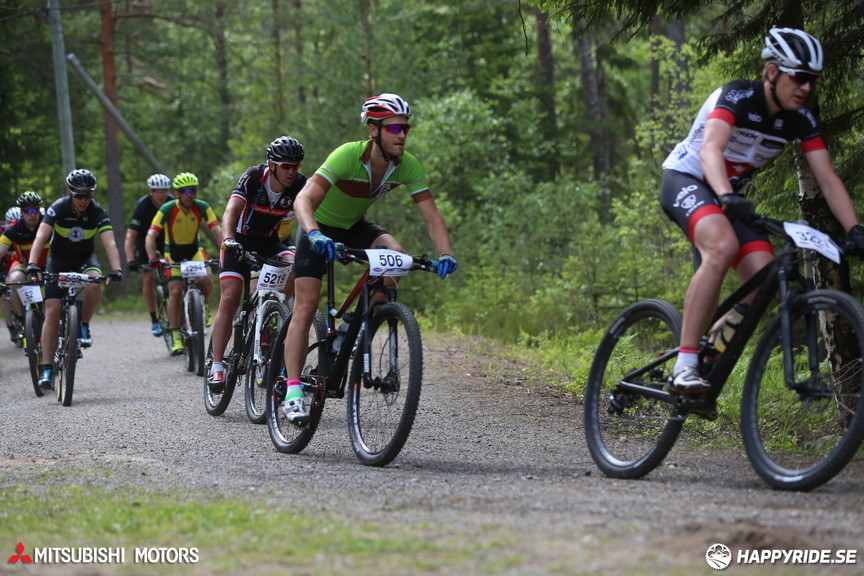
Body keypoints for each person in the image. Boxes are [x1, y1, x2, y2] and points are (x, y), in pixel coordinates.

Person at [660, 28, 864, 394]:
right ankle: (684, 364)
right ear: (773, 72)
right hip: (688, 180)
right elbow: (710, 150)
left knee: (763, 276)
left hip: (728, 196)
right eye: (798, 77)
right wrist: (724, 194)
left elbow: (828, 179)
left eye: (812, 81)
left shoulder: (801, 119)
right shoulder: (738, 95)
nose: (805, 87)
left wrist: (854, 229)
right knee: (721, 246)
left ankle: (708, 347)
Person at [275, 93, 458, 422]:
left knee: (397, 256)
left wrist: (445, 253)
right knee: (306, 304)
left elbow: (432, 217)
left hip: (354, 226)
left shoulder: (406, 165)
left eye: (405, 128)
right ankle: (291, 390)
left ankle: (348, 329)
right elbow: (302, 200)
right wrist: (315, 234)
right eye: (394, 128)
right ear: (374, 130)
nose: (402, 134)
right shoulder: (348, 155)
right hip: (317, 225)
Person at [207, 136, 306, 391]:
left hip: (268, 242)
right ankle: (217, 366)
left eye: (296, 165)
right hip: (238, 242)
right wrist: (228, 239)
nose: (292, 171)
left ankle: (274, 314)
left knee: (295, 264)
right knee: (229, 299)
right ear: (272, 164)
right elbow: (231, 211)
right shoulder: (254, 177)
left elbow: (313, 213)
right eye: (286, 165)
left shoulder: (299, 184)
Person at [28, 169, 123, 390]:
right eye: (78, 195)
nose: (83, 200)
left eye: (87, 195)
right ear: (71, 194)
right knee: (52, 310)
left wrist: (117, 268)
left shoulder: (97, 211)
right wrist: (33, 264)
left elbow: (110, 243)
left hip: (84, 260)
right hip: (58, 261)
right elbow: (41, 236)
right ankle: (48, 368)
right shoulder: (58, 207)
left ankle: (84, 326)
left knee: (95, 281)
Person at [146, 172, 222, 356]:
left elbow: (217, 231)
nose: (190, 194)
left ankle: (204, 306)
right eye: (186, 191)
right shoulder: (167, 208)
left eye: (193, 190)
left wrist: (225, 251)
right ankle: (176, 336)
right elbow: (151, 235)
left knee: (206, 276)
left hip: (193, 250)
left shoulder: (202, 206)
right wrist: (152, 258)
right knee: (175, 291)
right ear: (178, 193)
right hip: (172, 253)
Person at [124, 174, 174, 337]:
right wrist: (131, 260)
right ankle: (154, 318)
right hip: (145, 242)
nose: (161, 194)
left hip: (167, 240)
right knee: (148, 277)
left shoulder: (172, 202)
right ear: (150, 192)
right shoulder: (143, 206)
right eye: (157, 191)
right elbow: (130, 236)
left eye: (164, 191)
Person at [0, 192, 47, 343]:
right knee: (13, 280)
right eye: (28, 211)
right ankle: (21, 318)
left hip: (47, 265)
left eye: (35, 210)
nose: (32, 214)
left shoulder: (48, 225)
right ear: (22, 212)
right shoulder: (14, 228)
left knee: (49, 304)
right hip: (23, 265)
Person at [0, 206, 21, 341]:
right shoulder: (3, 234)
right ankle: (11, 327)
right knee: (2, 296)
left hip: (17, 266)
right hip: (3, 267)